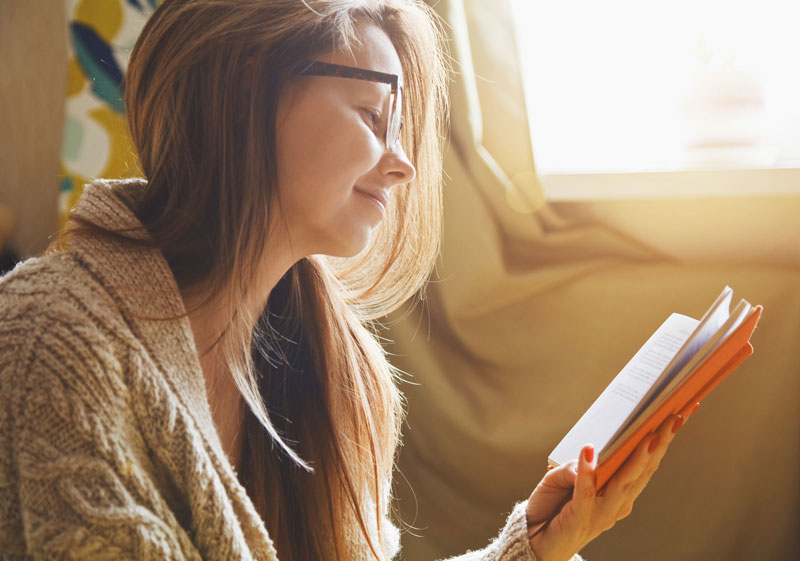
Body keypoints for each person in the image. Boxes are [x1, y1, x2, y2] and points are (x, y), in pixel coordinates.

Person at [0, 1, 688, 560]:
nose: (403, 166)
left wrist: (534, 549)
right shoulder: (50, 337)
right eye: (371, 117)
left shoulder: (335, 371)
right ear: (249, 88)